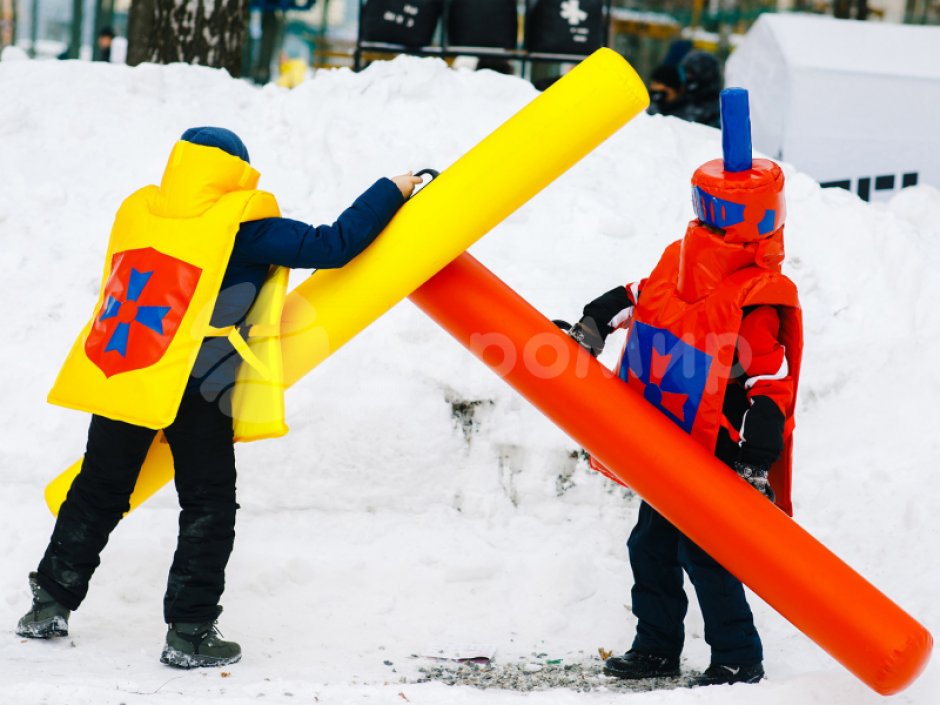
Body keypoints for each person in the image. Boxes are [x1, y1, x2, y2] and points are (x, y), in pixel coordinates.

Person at [16, 126, 422, 669]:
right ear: (234, 174)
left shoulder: (142, 211)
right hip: (198, 381)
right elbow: (333, 245)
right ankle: (189, 631)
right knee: (207, 504)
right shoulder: (242, 226)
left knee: (97, 490)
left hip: (129, 369)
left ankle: (49, 605)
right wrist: (391, 190)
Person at [563, 90, 802, 687]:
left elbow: (770, 380)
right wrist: (592, 324)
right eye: (700, 203)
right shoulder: (680, 262)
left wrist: (757, 452)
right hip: (666, 436)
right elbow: (638, 294)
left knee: (707, 553)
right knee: (650, 547)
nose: (701, 216)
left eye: (712, 207)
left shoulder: (757, 297)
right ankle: (657, 647)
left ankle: (739, 656)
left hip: (715, 447)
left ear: (742, 217)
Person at [674, 50, 722, 128]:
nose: (687, 77)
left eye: (691, 73)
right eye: (685, 73)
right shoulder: (680, 101)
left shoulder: (720, 110)